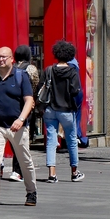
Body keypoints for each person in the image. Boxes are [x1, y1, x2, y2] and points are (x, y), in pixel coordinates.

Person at [0, 47, 37, 208]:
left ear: (12, 59)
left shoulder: (21, 76)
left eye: (5, 57)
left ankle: (31, 192)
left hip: (17, 126)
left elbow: (29, 101)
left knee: (25, 161)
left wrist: (21, 119)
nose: (1, 59)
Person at [41, 40, 85, 183]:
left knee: (51, 141)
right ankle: (74, 172)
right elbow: (75, 91)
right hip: (67, 110)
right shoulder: (72, 72)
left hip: (50, 109)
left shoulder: (49, 70)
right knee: (72, 140)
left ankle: (52, 174)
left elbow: (41, 87)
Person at [8, 46, 39, 182]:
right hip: (25, 107)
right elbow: (35, 85)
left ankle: (16, 170)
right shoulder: (31, 68)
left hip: (12, 105)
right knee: (22, 139)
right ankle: (18, 171)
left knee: (13, 137)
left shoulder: (11, 68)